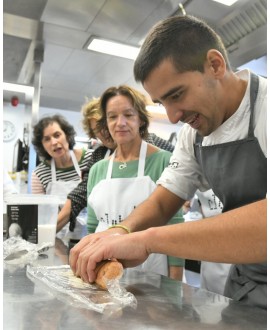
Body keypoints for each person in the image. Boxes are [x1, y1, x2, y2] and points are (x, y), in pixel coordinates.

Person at [69, 15, 267, 309]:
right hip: (248, 284)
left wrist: (148, 241)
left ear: (215, 65)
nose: (173, 116)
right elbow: (163, 202)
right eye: (163, 103)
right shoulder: (193, 135)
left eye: (177, 94)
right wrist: (121, 231)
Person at [87, 85, 184, 279]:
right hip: (106, 272)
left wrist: (174, 286)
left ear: (140, 119)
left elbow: (174, 227)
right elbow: (92, 228)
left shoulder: (163, 161)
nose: (120, 123)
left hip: (152, 272)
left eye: (128, 115)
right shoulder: (98, 169)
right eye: (112, 116)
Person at [57, 97, 175, 234]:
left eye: (104, 127)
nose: (105, 133)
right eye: (98, 131)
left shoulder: (155, 146)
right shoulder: (99, 156)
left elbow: (182, 170)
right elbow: (81, 194)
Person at [31, 114, 93, 240]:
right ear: (42, 145)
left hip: (92, 235)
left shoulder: (90, 159)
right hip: (57, 237)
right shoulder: (40, 173)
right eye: (47, 139)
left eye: (57, 135)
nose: (54, 142)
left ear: (67, 135)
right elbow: (41, 215)